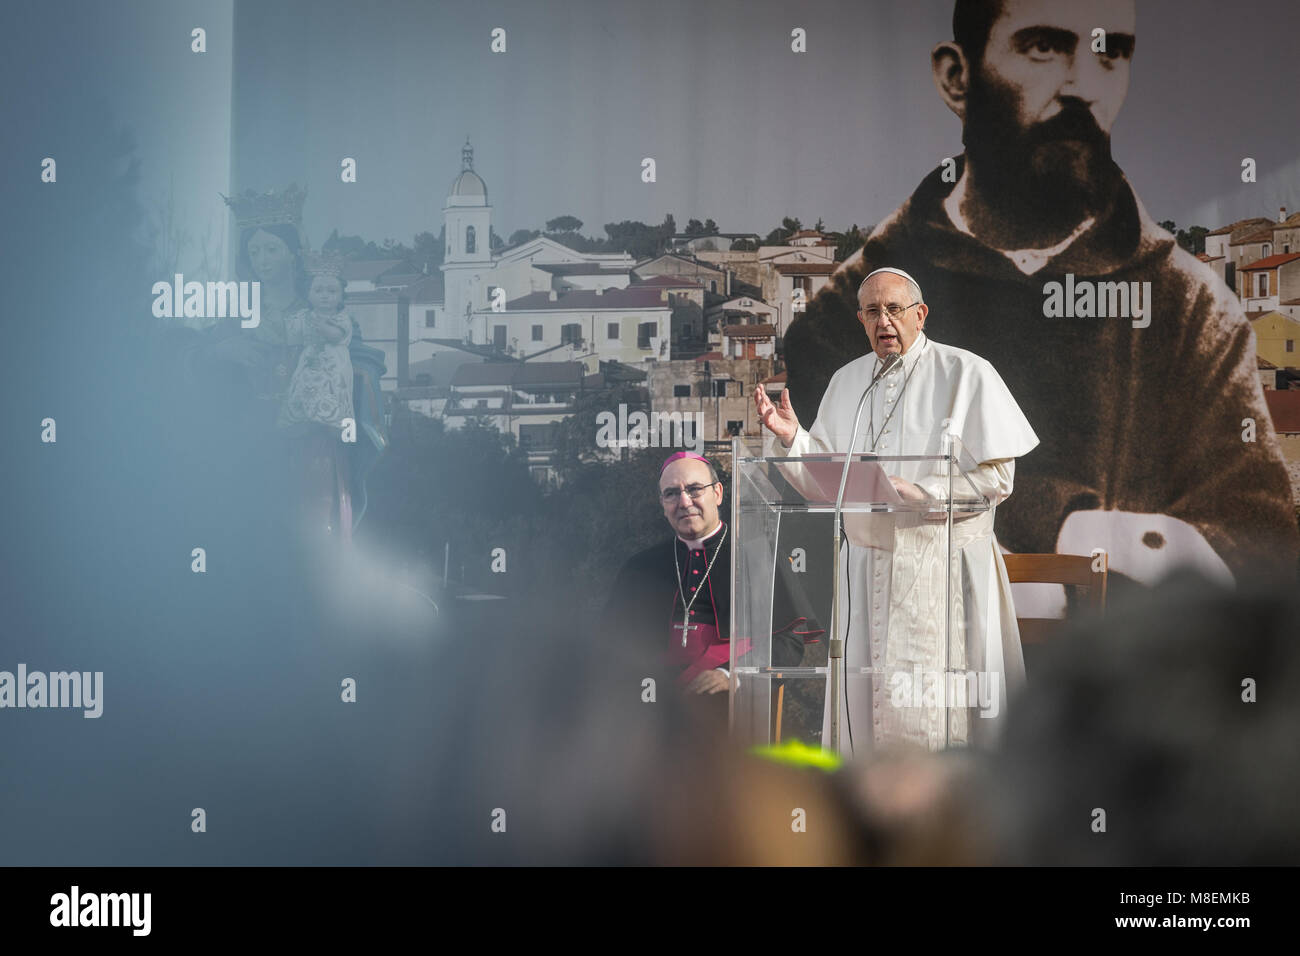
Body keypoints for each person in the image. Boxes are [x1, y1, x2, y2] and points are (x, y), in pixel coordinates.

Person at [783, 0, 1299, 609]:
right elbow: (819, 512)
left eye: (1111, 53)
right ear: (957, 77)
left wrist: (1108, 539)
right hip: (886, 598)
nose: (1083, 84)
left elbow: (1262, 543)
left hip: (1110, 671)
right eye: (1044, 47)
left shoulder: (1193, 310)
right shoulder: (836, 320)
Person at [756, 267, 1039, 754]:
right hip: (868, 571)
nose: (883, 320)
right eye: (871, 311)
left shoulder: (966, 372)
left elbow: (999, 480)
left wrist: (926, 493)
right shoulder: (847, 382)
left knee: (957, 720)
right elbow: (825, 482)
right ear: (861, 320)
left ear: (920, 314)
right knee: (870, 720)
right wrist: (793, 441)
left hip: (947, 566)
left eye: (894, 309)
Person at [603, 452, 818, 716]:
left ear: (717, 493)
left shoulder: (759, 557)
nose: (684, 501)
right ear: (662, 504)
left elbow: (789, 641)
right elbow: (611, 646)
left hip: (731, 709)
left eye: (694, 489)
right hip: (652, 712)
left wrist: (731, 676)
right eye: (671, 493)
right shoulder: (640, 568)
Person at [279, 252, 356, 544]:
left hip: (331, 377)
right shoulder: (303, 316)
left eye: (331, 291)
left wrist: (314, 321)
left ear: (340, 296)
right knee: (302, 395)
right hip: (307, 374)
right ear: (309, 293)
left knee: (329, 400)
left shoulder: (342, 319)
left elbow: (333, 335)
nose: (325, 296)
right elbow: (289, 335)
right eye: (318, 290)